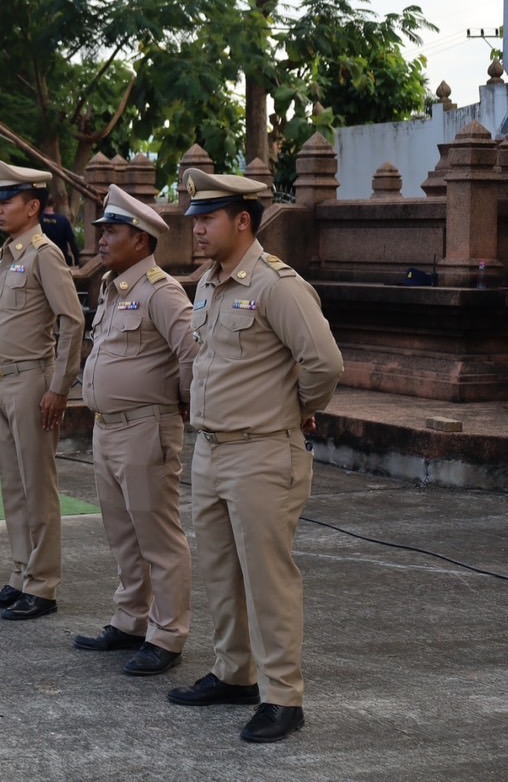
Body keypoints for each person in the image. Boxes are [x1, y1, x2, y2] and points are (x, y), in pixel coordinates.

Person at [166, 169, 343, 745]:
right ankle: (234, 672)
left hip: (263, 451)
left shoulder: (276, 285)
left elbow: (324, 363)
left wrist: (295, 408)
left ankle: (282, 697)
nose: (196, 227)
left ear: (243, 221)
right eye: (195, 218)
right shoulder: (208, 283)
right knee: (220, 570)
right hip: (212, 448)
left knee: (268, 579)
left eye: (207, 218)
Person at [75, 184, 197, 675]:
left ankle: (167, 635)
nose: (101, 239)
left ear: (142, 240)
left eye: (113, 232)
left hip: (146, 428)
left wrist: (187, 405)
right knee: (122, 533)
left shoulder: (161, 291)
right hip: (108, 429)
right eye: (102, 230)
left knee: (158, 537)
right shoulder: (113, 289)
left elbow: (191, 351)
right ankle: (130, 620)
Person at [0, 161, 85, 620]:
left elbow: (72, 320)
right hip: (3, 382)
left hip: (33, 380)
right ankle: (20, 574)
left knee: (38, 488)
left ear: (33, 207)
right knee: (14, 486)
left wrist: (60, 387)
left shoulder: (44, 253)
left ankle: (43, 584)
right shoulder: (5, 255)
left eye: (8, 202)